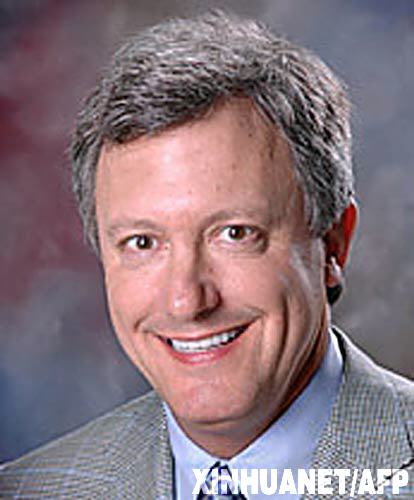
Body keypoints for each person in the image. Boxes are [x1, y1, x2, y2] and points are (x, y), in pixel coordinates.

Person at [1, 10, 413, 499]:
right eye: (143, 243)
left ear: (333, 244)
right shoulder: (30, 489)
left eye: (234, 233)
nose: (187, 302)